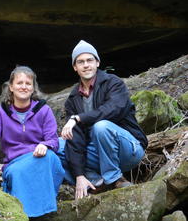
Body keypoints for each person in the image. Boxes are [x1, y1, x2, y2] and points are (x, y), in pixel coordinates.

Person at [0, 66, 65, 218]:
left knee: (51, 158)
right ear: (11, 87)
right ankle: (24, 215)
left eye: (28, 83)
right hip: (15, 163)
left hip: (40, 157)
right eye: (19, 83)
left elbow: (54, 141)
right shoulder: (1, 113)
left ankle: (43, 213)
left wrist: (45, 145)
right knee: (18, 172)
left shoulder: (44, 110)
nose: (24, 87)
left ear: (33, 88)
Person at [60, 40, 148, 200]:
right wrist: (79, 174)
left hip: (128, 150)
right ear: (75, 67)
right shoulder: (73, 98)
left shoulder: (114, 83)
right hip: (98, 155)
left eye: (89, 60)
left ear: (97, 62)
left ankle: (115, 179)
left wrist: (79, 118)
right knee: (59, 144)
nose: (86, 65)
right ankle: (94, 180)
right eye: (80, 62)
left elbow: (113, 110)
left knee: (101, 126)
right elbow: (76, 138)